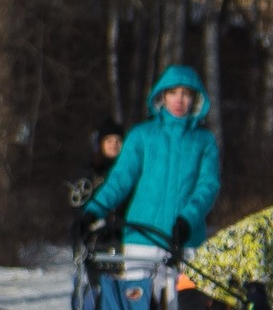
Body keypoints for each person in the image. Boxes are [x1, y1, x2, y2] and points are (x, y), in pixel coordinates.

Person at [83, 66, 220, 260]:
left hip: (186, 243)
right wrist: (93, 211)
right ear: (162, 95)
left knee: (185, 291)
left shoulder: (204, 141)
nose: (179, 100)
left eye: (186, 94)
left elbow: (209, 186)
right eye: (173, 92)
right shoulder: (141, 135)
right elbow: (120, 179)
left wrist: (188, 219)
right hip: (141, 242)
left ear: (195, 98)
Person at [66, 123, 126, 247]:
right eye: (109, 140)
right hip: (95, 235)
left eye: (118, 141)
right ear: (101, 143)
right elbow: (79, 203)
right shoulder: (90, 172)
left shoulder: (129, 173)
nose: (114, 145)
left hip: (123, 233)